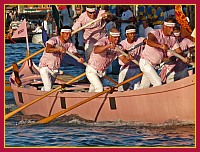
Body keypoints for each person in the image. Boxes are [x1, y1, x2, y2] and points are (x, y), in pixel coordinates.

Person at [137, 17, 182, 89]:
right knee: (158, 83)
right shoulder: (155, 33)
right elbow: (149, 42)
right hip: (146, 62)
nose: (172, 30)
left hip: (155, 65)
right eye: (170, 28)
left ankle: (137, 97)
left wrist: (185, 57)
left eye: (173, 28)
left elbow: (179, 52)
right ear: (165, 27)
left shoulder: (173, 38)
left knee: (144, 87)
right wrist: (160, 46)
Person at [39, 26, 84, 91]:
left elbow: (74, 53)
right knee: (48, 88)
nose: (68, 36)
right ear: (61, 33)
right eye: (66, 34)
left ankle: (40, 92)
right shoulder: (53, 40)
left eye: (69, 34)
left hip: (55, 69)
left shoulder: (69, 43)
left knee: (48, 86)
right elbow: (47, 49)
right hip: (45, 67)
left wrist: (79, 58)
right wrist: (58, 49)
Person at [86, 27, 131, 92]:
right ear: (110, 37)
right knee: (99, 89)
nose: (117, 39)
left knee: (92, 91)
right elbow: (96, 50)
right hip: (92, 70)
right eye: (115, 37)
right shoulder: (103, 41)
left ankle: (90, 100)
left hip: (102, 72)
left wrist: (129, 58)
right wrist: (108, 46)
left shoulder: (118, 47)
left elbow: (124, 60)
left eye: (118, 37)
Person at [118, 25, 146, 91]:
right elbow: (123, 59)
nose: (133, 35)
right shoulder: (122, 44)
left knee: (136, 89)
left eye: (134, 33)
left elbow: (147, 41)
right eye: (131, 34)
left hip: (136, 69)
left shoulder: (140, 40)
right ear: (126, 34)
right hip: (125, 69)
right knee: (121, 89)